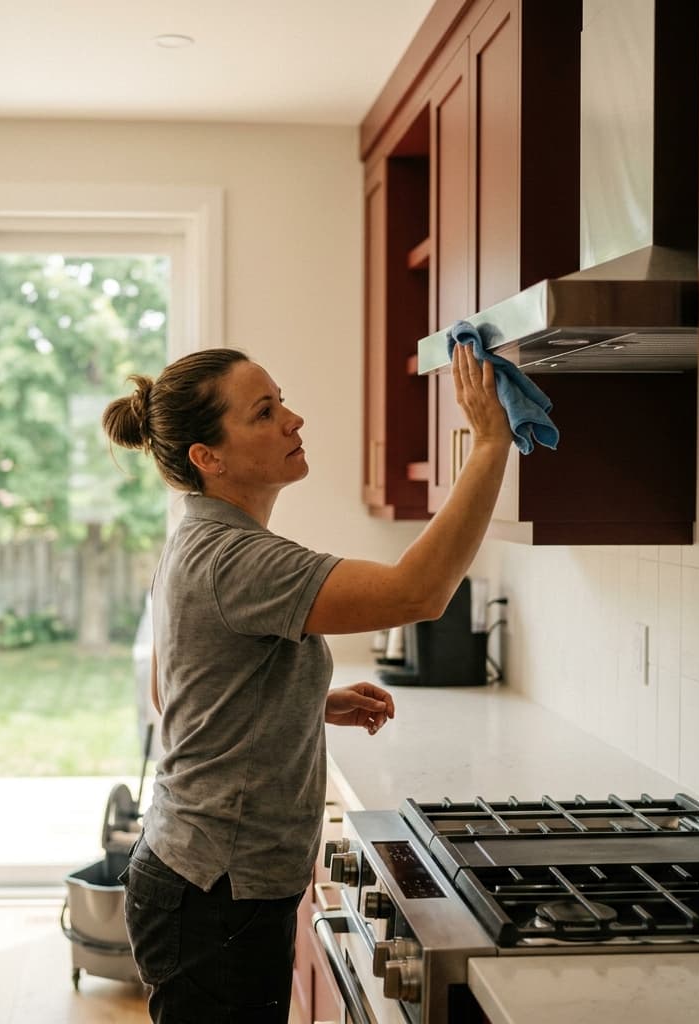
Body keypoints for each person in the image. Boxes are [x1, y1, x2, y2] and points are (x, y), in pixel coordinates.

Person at [101, 341, 512, 1023]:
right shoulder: (241, 559)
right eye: (265, 412)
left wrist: (303, 701)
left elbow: (171, 693)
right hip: (216, 895)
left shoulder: (195, 537)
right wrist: (491, 444)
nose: (294, 421)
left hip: (194, 878)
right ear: (210, 457)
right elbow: (418, 593)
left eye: (282, 402)